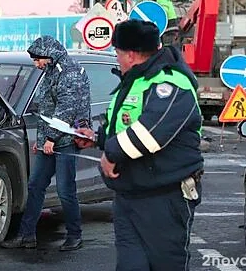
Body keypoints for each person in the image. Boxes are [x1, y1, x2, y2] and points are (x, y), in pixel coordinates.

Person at [76, 19, 204, 271]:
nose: (116, 58)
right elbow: (124, 127)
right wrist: (96, 138)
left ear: (132, 55)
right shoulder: (135, 80)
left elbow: (151, 133)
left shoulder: (172, 83)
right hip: (129, 196)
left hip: (164, 198)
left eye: (118, 53)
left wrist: (111, 153)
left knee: (165, 265)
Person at [2, 35, 91, 251]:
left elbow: (65, 111)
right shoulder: (51, 71)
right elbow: (46, 110)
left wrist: (50, 138)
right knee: (35, 186)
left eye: (37, 59)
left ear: (47, 55)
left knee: (65, 190)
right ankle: (26, 235)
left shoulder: (69, 72)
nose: (36, 64)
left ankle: (74, 235)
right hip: (50, 140)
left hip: (65, 140)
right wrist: (42, 140)